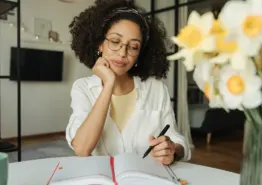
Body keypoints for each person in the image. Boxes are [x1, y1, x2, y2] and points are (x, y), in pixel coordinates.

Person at [66, 0, 191, 165]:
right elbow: (82, 149)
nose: (123, 53)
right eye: (115, 42)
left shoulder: (156, 89)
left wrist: (172, 149)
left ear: (140, 53)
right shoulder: (82, 88)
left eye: (133, 47)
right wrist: (108, 85)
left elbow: (179, 142)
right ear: (100, 45)